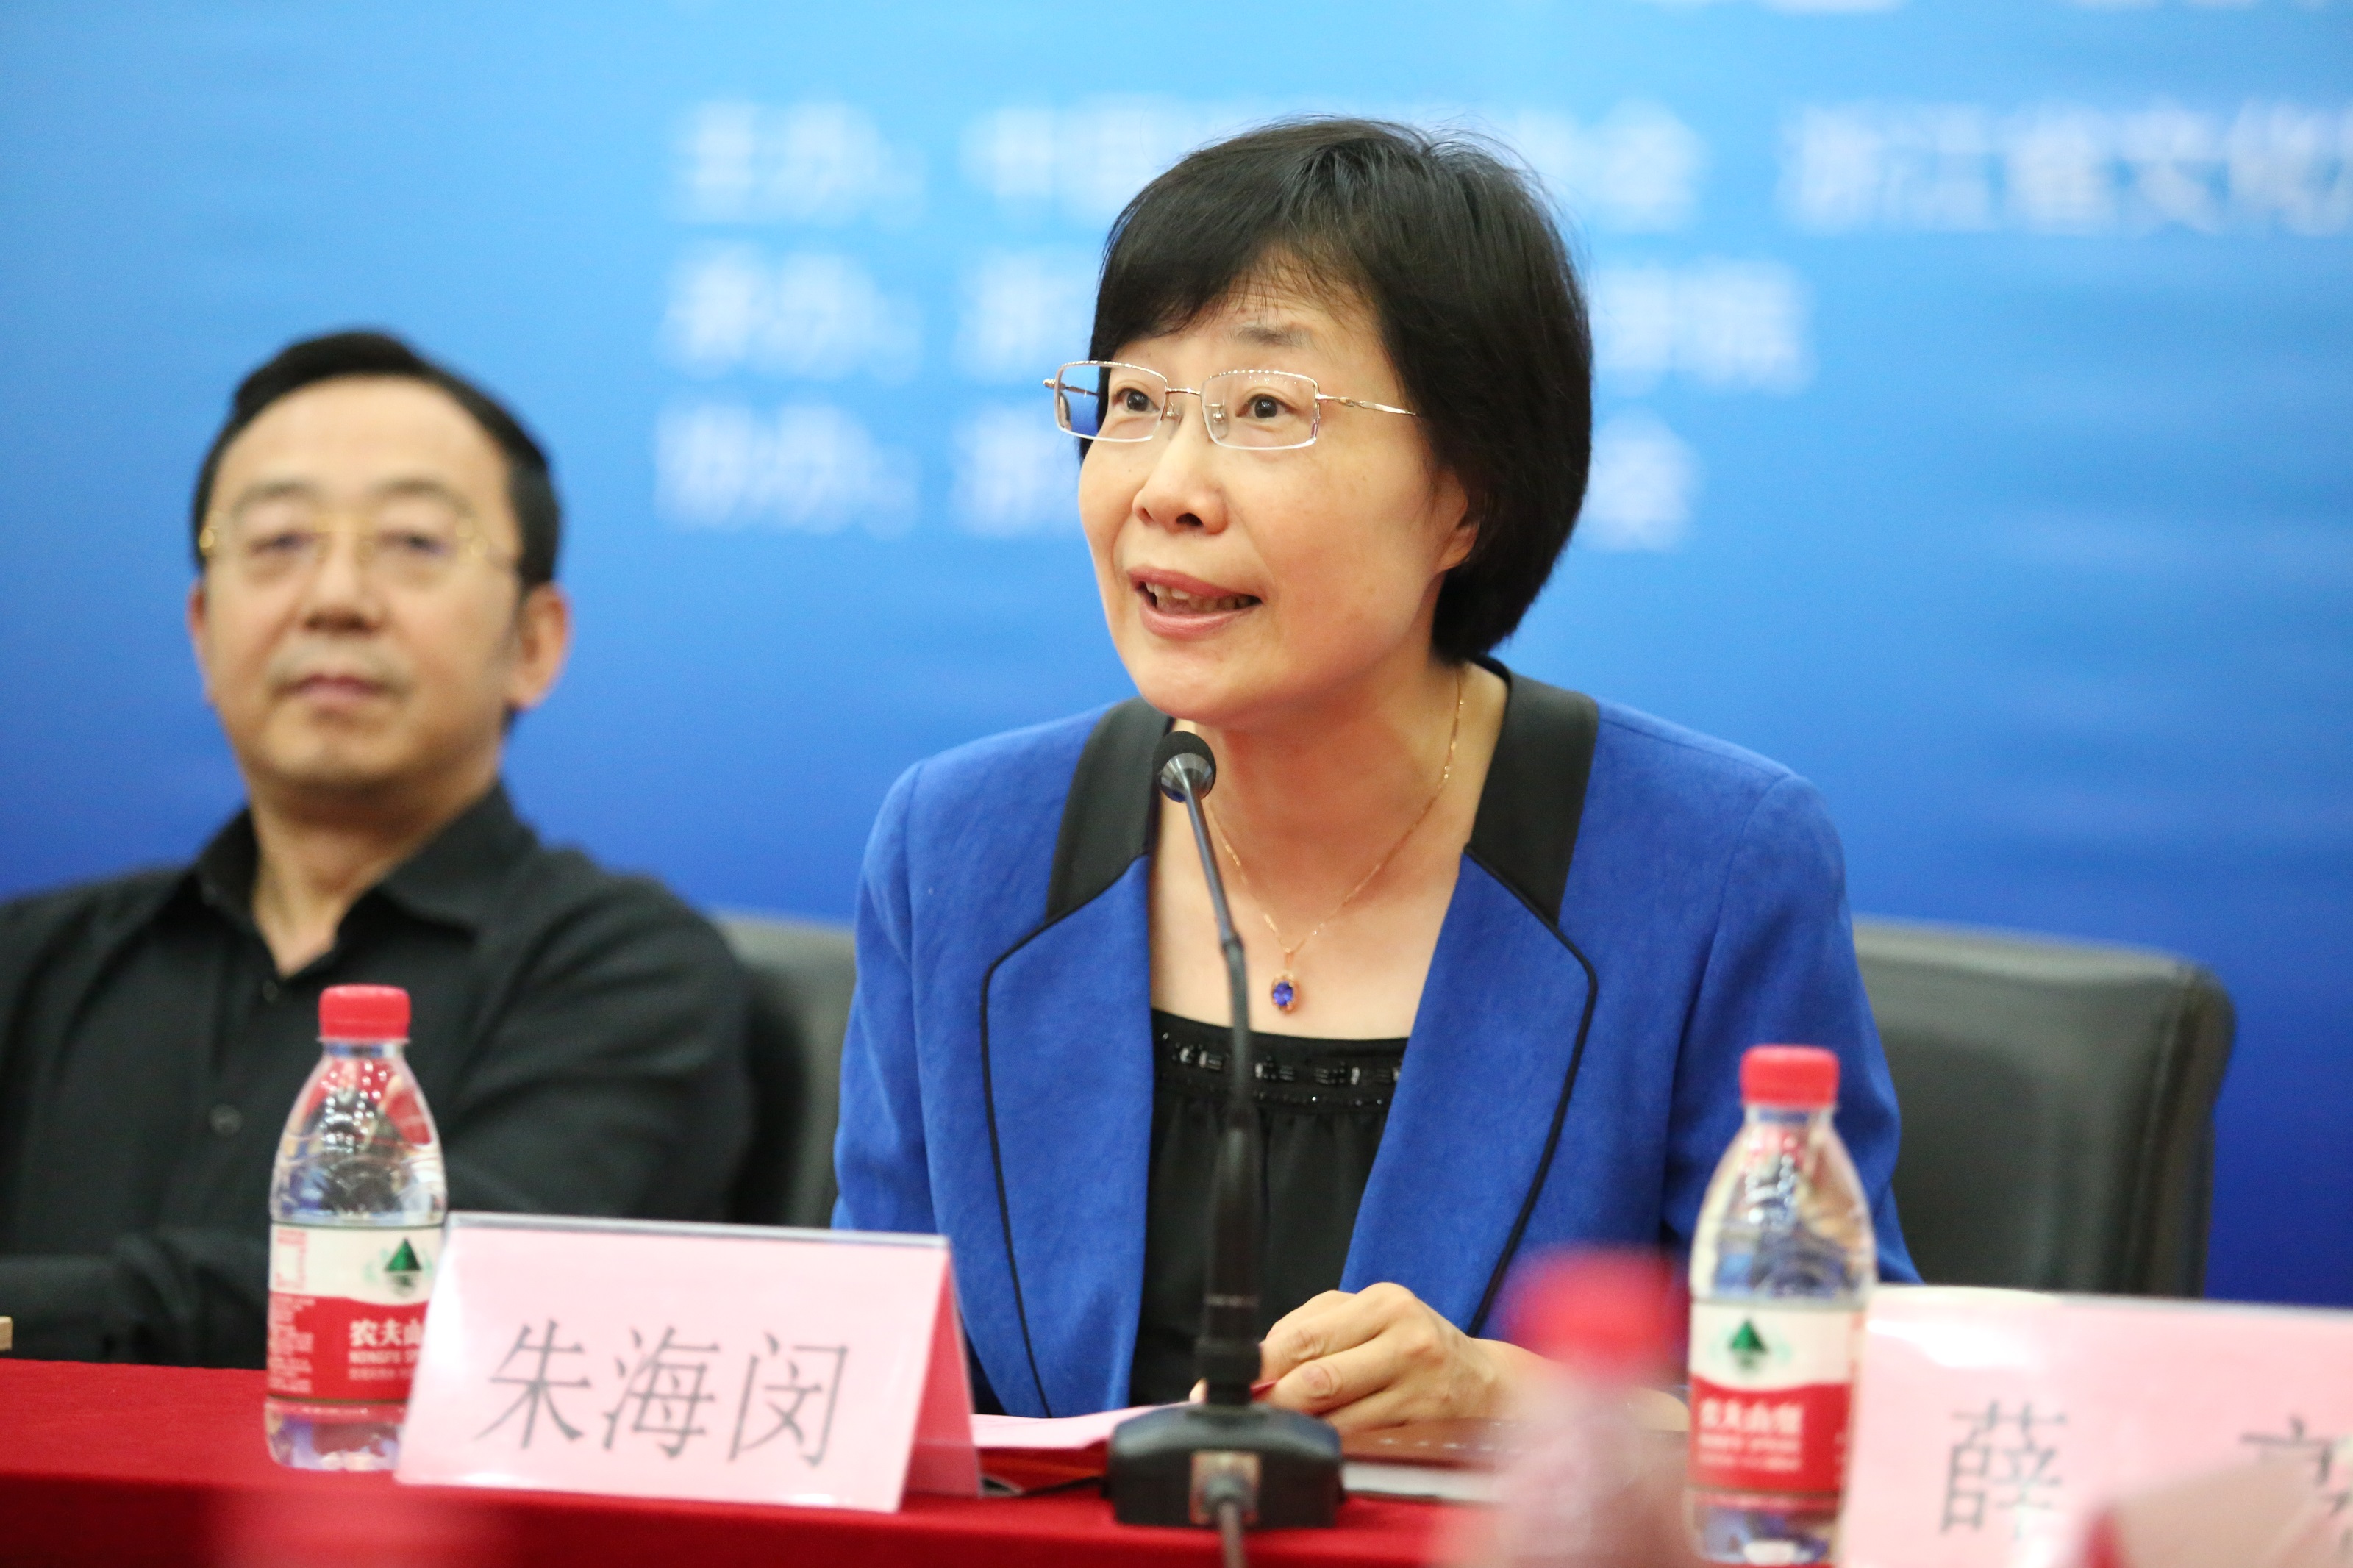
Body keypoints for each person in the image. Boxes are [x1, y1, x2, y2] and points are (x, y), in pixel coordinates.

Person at [832, 120, 1918, 1428]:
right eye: (1135, 402)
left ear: (1465, 498)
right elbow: (866, 1393)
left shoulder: (1711, 866)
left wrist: (1515, 1406)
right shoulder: (961, 849)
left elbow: (1849, 1415)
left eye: (1266, 410)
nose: (1168, 488)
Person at [0, 331, 751, 1366]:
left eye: (413, 542)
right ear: (203, 632)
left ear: (534, 642)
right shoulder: (34, 961)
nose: (336, 599)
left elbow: (441, 1298)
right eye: (278, 541)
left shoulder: (630, 975)